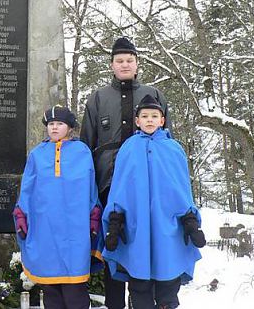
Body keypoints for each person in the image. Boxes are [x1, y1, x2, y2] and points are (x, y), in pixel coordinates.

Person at [80, 37, 172, 309]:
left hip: (148, 183)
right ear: (111, 65)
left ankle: (143, 299)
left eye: (129, 60)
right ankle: (115, 302)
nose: (124, 65)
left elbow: (167, 139)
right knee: (114, 239)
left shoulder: (154, 95)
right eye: (119, 61)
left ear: (137, 63)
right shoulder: (98, 98)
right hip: (109, 181)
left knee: (146, 238)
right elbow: (87, 143)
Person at [101, 95, 205, 309]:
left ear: (162, 120)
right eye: (145, 116)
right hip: (136, 228)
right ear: (137, 121)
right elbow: (120, 188)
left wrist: (190, 221)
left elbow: (182, 189)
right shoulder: (128, 149)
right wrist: (114, 221)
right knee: (140, 284)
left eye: (154, 116)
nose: (150, 120)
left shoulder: (174, 149)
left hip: (168, 226)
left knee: (168, 280)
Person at [13, 105, 101, 309]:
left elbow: (90, 186)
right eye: (51, 124)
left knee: (75, 287)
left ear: (69, 128)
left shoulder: (82, 152)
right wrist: (21, 214)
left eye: (59, 124)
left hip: (75, 228)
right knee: (50, 287)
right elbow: (27, 187)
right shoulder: (37, 154)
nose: (54, 128)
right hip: (45, 227)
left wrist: (93, 214)